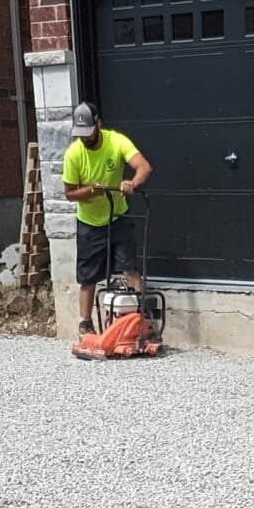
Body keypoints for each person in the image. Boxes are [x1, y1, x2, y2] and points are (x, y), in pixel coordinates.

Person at [62, 102, 152, 340]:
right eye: (80, 134)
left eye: (89, 132)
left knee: (130, 268)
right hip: (89, 223)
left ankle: (142, 320)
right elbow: (70, 194)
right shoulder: (73, 154)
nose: (85, 138)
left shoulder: (117, 141)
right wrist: (91, 191)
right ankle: (85, 324)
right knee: (88, 276)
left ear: (98, 124)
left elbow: (144, 166)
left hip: (117, 216)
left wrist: (132, 183)